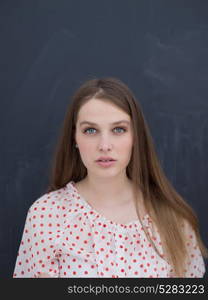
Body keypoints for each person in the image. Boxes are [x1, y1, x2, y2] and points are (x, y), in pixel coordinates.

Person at [13, 77, 207, 278]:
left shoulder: (173, 219)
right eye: (91, 130)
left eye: (118, 129)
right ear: (75, 138)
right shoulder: (47, 215)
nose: (104, 145)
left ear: (135, 136)